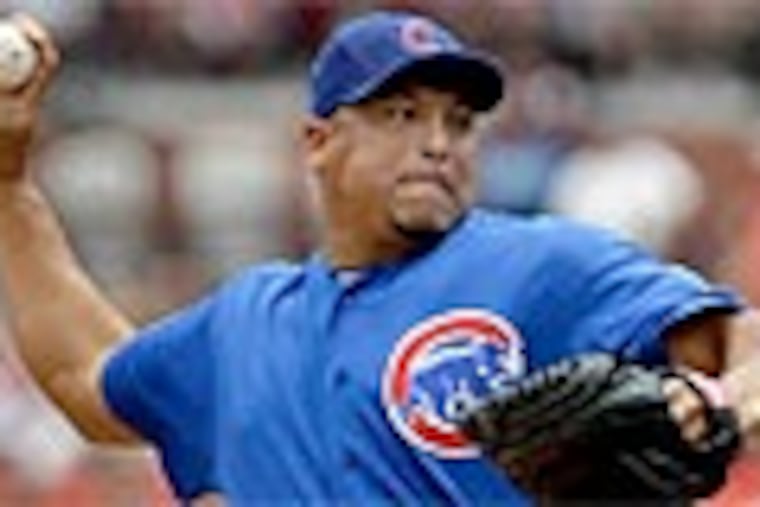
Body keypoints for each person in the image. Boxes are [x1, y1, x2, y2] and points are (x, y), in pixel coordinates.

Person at [1, 10, 760, 506]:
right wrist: (9, 183)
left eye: (458, 122)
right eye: (401, 115)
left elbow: (742, 343)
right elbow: (85, 377)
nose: (436, 143)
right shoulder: (243, 323)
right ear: (318, 142)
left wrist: (717, 404)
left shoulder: (542, 265)